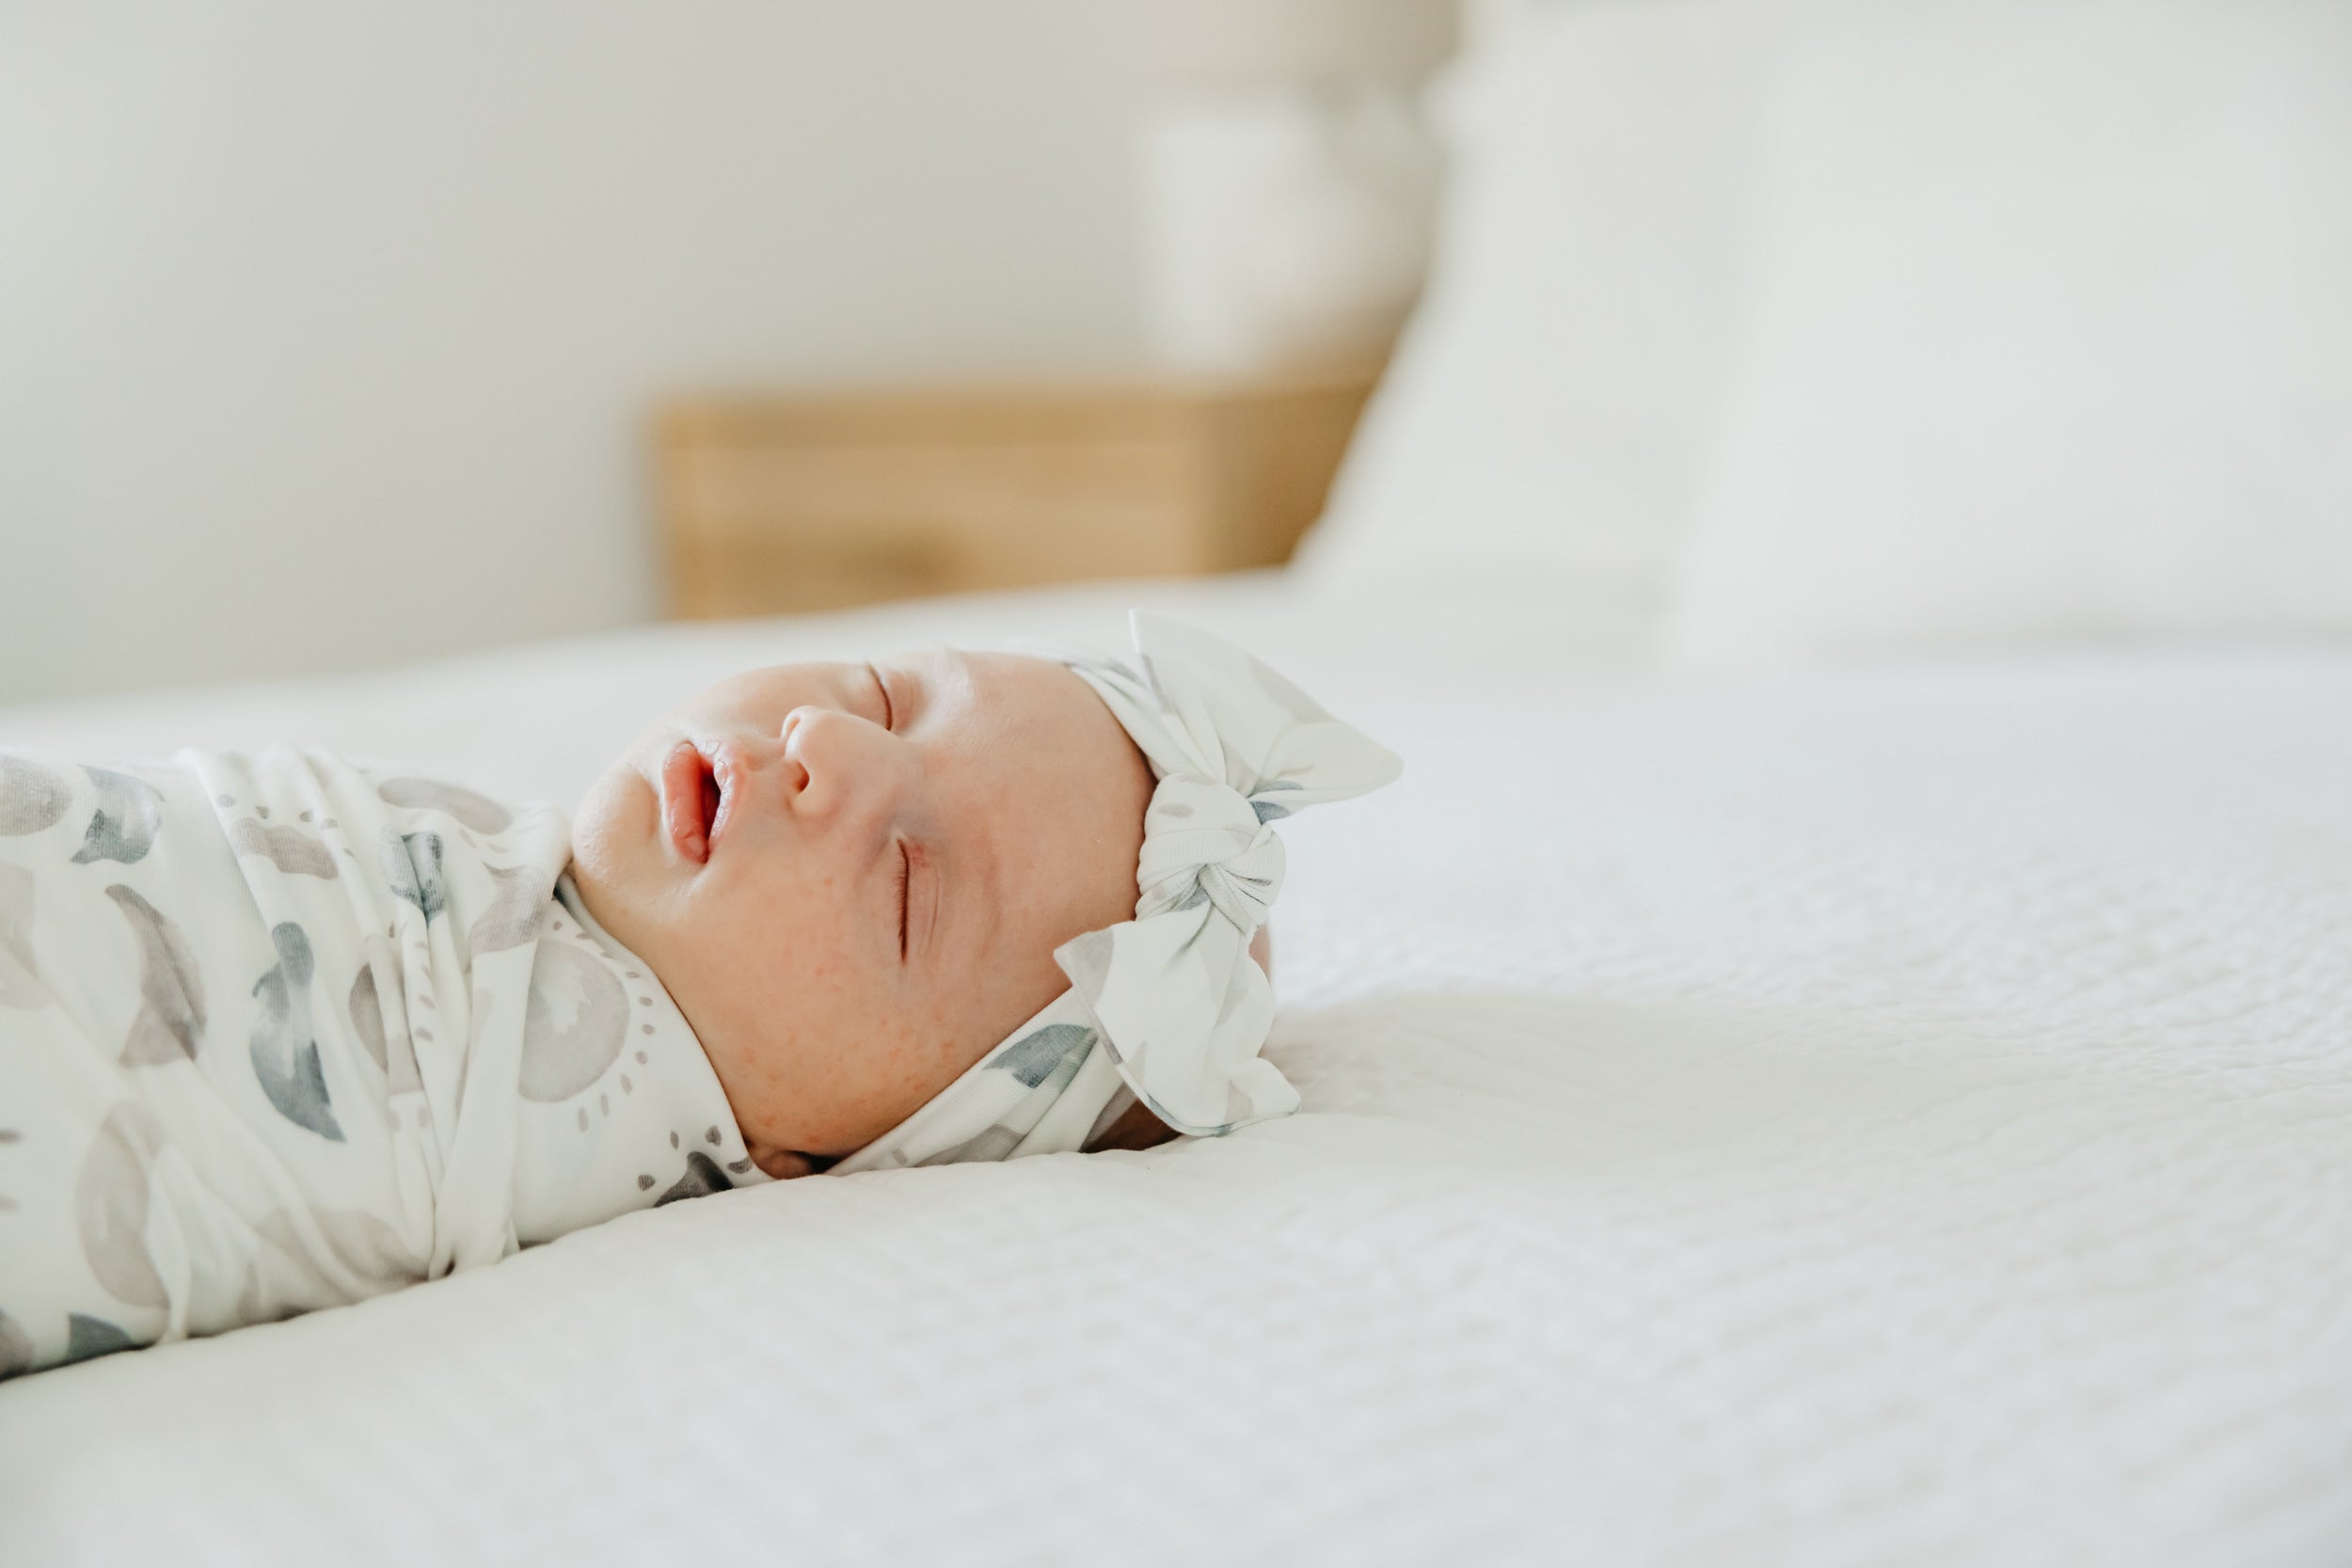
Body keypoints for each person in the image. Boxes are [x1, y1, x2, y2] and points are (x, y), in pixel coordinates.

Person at [0, 614, 1398, 1377]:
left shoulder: (568, 1094)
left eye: (909, 882)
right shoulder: (523, 874)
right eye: (883, 691)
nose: (827, 746)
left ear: (832, 1156)